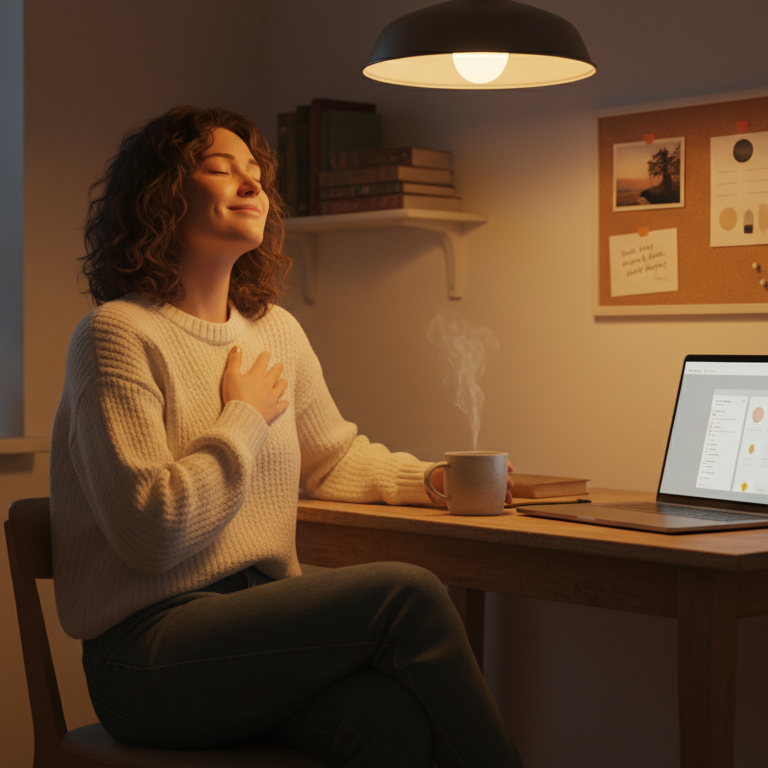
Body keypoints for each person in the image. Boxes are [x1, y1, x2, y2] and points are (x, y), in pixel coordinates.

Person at [48, 105, 521, 768]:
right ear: (159, 196)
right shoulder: (116, 336)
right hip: (147, 656)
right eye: (220, 169)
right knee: (406, 593)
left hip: (256, 627)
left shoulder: (275, 332)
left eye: (256, 175)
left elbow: (334, 459)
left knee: (389, 723)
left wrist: (433, 482)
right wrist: (241, 417)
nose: (250, 186)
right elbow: (148, 534)